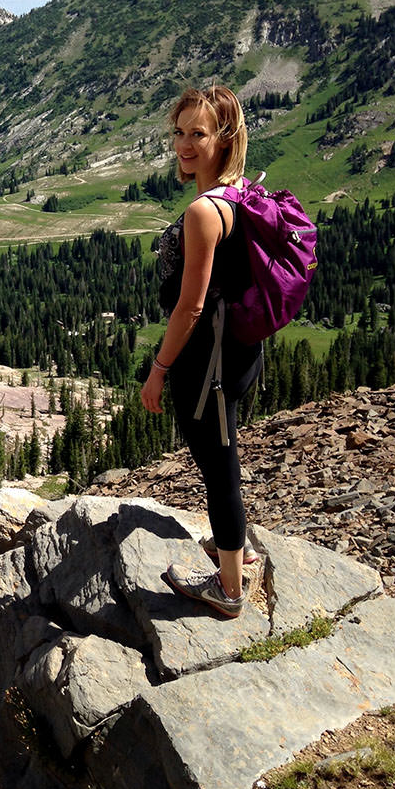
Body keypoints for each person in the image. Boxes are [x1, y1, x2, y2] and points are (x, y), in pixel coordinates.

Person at [141, 85, 263, 619]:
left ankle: (230, 587)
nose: (184, 145)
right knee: (221, 453)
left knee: (218, 463)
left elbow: (189, 308)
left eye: (198, 133)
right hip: (239, 351)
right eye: (179, 132)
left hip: (206, 360)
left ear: (224, 137)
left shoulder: (203, 212)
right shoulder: (242, 193)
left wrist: (159, 369)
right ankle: (229, 545)